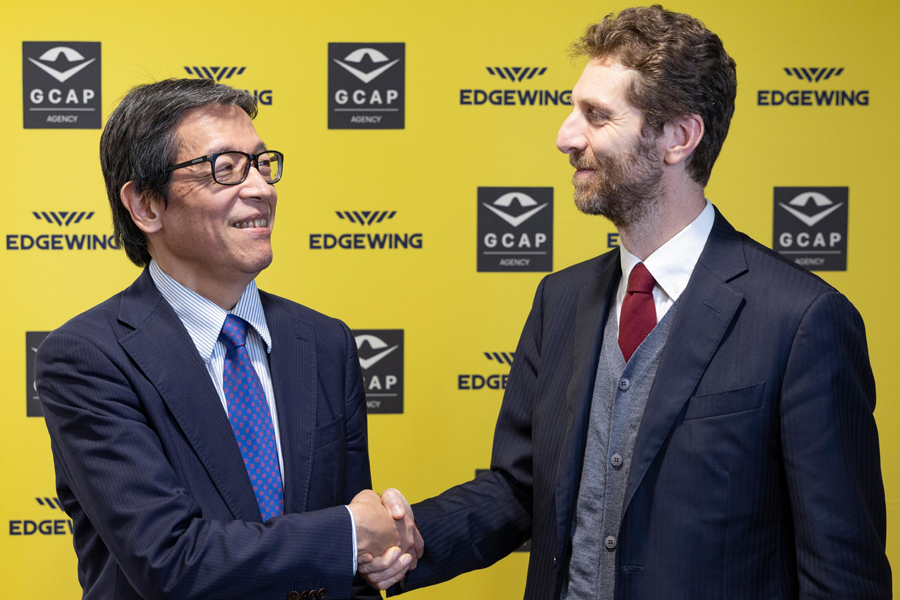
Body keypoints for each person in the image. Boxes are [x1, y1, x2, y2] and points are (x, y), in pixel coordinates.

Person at [361, 5, 891, 598]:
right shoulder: (560, 300)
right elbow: (521, 490)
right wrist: (404, 540)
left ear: (678, 138)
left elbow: (843, 576)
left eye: (596, 115)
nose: (565, 137)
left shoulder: (801, 320)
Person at [35, 78, 421, 600]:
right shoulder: (88, 358)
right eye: (226, 168)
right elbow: (170, 562)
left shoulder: (324, 343)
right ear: (146, 205)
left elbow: (356, 565)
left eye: (262, 163)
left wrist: (376, 554)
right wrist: (348, 534)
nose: (261, 188)